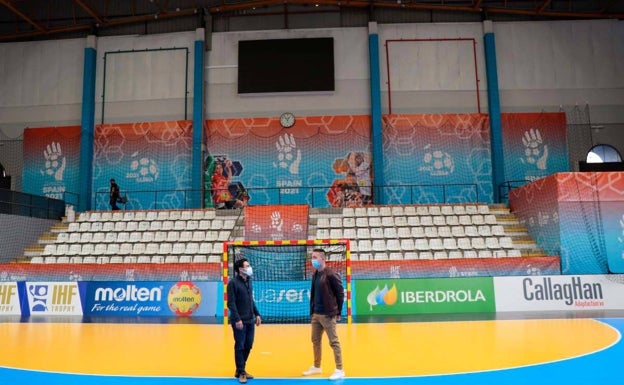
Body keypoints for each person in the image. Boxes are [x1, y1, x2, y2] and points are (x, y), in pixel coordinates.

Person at [302, 248, 345, 380]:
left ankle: (339, 369)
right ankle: (317, 366)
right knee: (315, 340)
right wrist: (312, 311)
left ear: (322, 258)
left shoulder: (331, 274)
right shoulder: (315, 274)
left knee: (334, 342)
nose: (312, 260)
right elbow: (314, 294)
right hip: (316, 314)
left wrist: (338, 311)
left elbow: (340, 293)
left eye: (315, 257)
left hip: (328, 315)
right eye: (312, 257)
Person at [227, 258, 261, 384]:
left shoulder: (249, 281)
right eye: (247, 265)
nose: (249, 267)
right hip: (239, 321)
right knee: (240, 346)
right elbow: (231, 303)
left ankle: (240, 369)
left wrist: (257, 314)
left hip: (250, 320)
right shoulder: (233, 283)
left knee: (249, 345)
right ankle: (241, 372)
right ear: (240, 269)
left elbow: (250, 300)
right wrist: (237, 319)